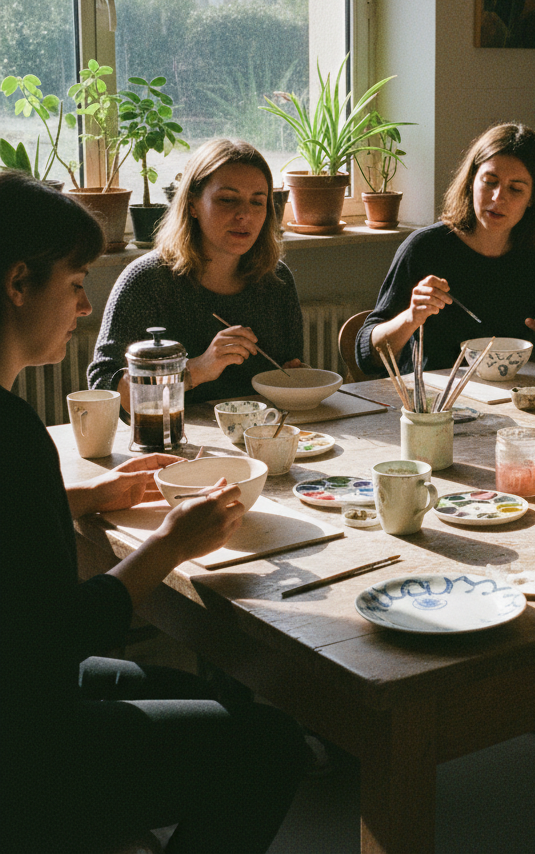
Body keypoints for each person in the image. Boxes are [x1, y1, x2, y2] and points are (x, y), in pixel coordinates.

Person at [0, 172, 307, 853]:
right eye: (76, 281)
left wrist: (93, 496)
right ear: (19, 283)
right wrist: (169, 545)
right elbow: (60, 633)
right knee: (272, 746)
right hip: (23, 738)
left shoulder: (14, 432)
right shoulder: (12, 436)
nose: (84, 306)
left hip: (26, 689)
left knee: (227, 704)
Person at [89, 139, 304, 408]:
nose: (244, 215)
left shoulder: (276, 280)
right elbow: (104, 387)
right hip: (174, 438)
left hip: (262, 434)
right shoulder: (146, 281)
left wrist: (296, 377)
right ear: (192, 205)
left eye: (257, 202)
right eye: (227, 199)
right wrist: (196, 370)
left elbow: (288, 368)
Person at [355, 122, 535, 375]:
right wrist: (411, 317)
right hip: (437, 404)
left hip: (518, 397)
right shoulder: (425, 248)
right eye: (490, 182)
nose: (497, 198)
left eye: (515, 189)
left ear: (533, 198)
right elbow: (368, 355)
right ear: (471, 181)